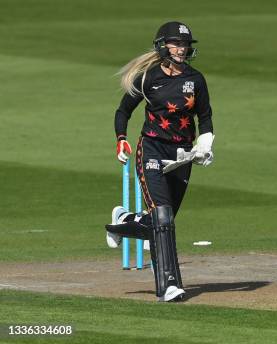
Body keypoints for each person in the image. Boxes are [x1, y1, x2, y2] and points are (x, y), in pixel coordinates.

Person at [104, 21, 214, 302]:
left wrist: (204, 144)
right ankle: (168, 285)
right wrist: (121, 138)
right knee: (162, 219)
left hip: (182, 155)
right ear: (163, 46)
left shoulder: (196, 79)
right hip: (151, 149)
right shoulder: (147, 78)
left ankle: (123, 221)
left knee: (160, 221)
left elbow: (205, 118)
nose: (182, 49)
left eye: (185, 44)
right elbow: (123, 111)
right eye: (177, 43)